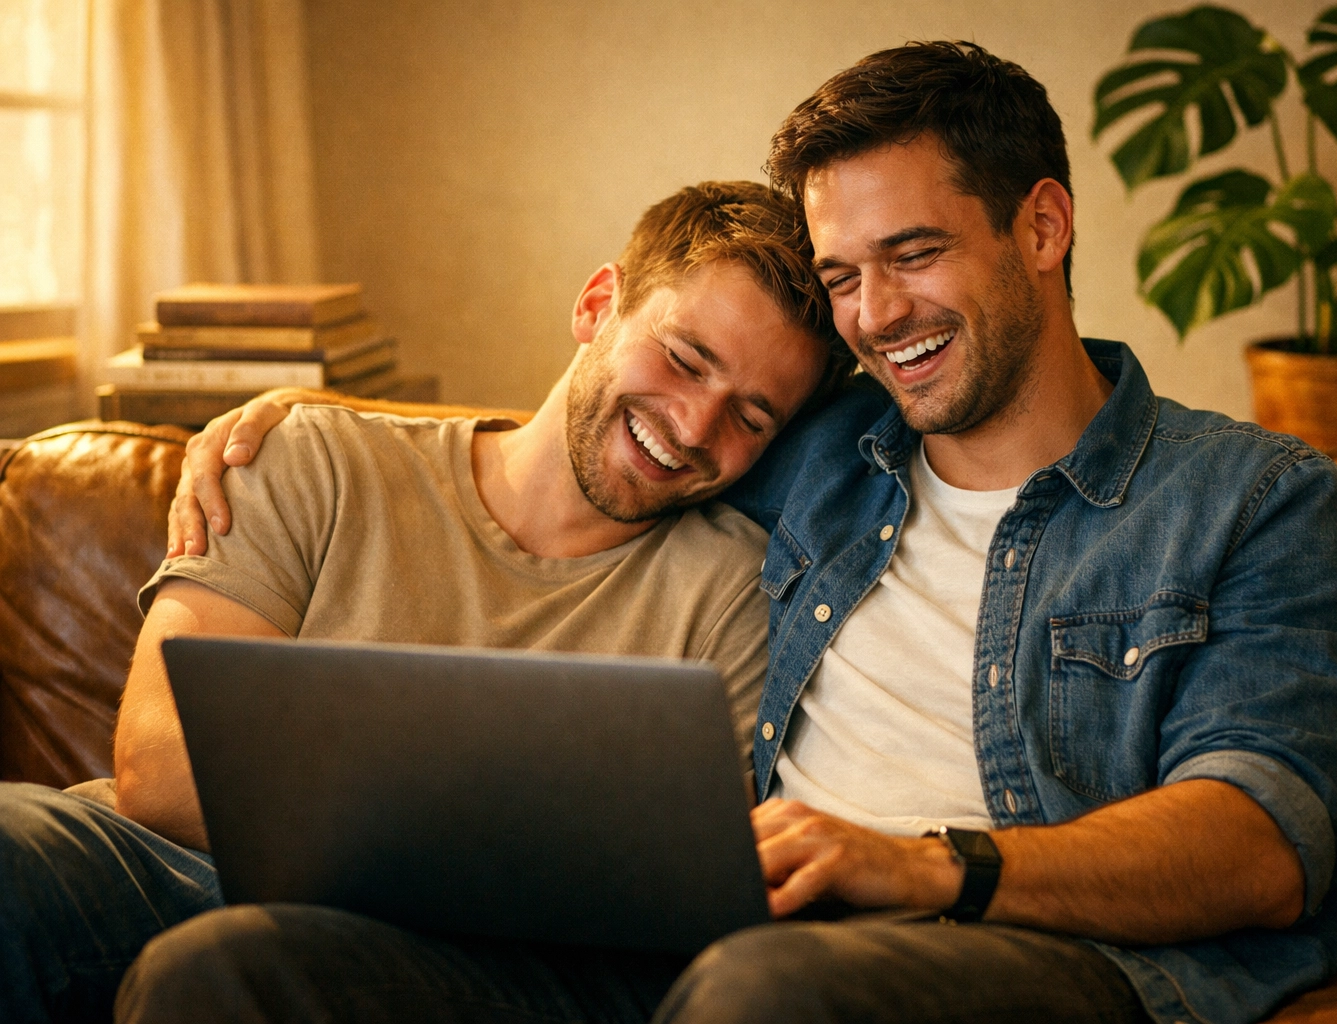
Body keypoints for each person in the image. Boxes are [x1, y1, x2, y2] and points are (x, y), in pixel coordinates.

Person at [133, 42, 1337, 1024]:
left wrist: (923, 868)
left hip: (1023, 950)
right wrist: (306, 412)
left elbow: (1263, 840)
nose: (872, 315)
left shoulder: (1254, 499)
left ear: (1042, 225)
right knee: (234, 965)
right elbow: (614, 411)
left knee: (768, 993)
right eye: (844, 272)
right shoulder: (820, 451)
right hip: (695, 940)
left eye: (910, 254)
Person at [0, 180, 850, 1024]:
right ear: (598, 304)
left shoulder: (739, 590)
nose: (696, 427)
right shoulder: (310, 458)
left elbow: (681, 883)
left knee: (225, 970)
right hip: (168, 870)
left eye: (751, 416)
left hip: (433, 963)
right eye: (684, 358)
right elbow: (157, 765)